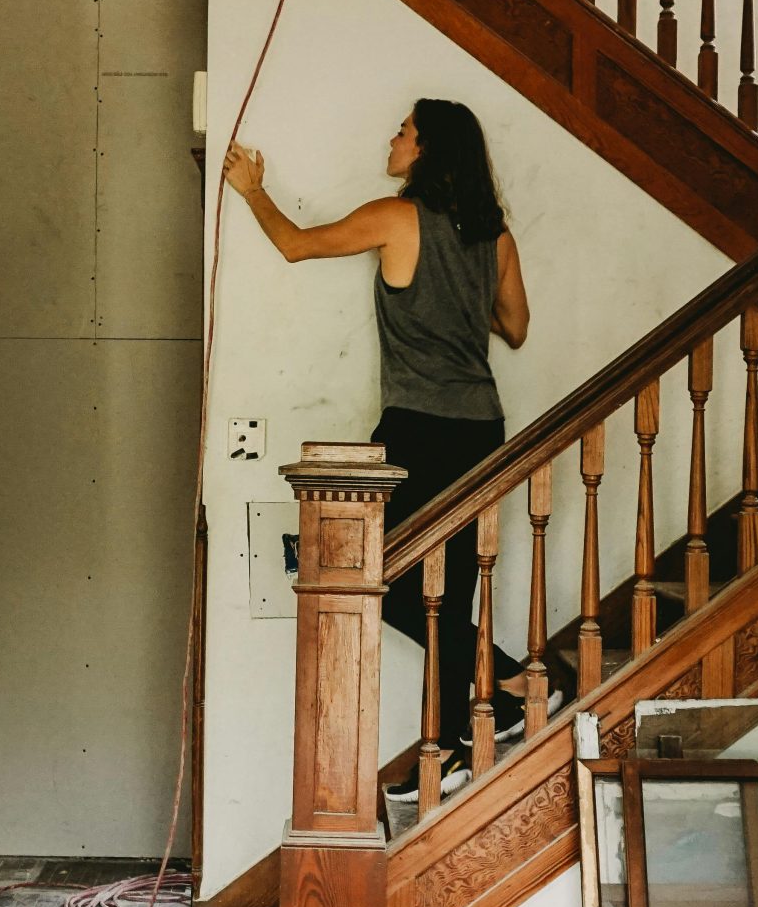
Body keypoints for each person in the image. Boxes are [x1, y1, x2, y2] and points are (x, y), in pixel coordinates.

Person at [224, 98, 536, 801]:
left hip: (419, 426)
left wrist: (253, 191)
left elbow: (296, 244)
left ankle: (506, 682)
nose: (392, 140)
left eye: (404, 132)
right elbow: (513, 326)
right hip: (482, 426)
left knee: (383, 577)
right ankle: (474, 732)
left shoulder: (398, 218)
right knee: (445, 591)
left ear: (426, 151)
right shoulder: (496, 237)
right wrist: (464, 292)